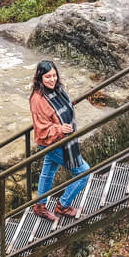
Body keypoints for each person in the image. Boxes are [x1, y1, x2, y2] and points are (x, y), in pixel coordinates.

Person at [29, 60, 89, 221]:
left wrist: (69, 106)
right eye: (48, 76)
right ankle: (63, 205)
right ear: (40, 77)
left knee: (48, 173)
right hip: (52, 143)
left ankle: (39, 206)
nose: (52, 79)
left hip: (63, 141)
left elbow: (61, 109)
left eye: (54, 75)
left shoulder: (57, 90)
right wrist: (59, 129)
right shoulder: (37, 99)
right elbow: (41, 129)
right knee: (84, 172)